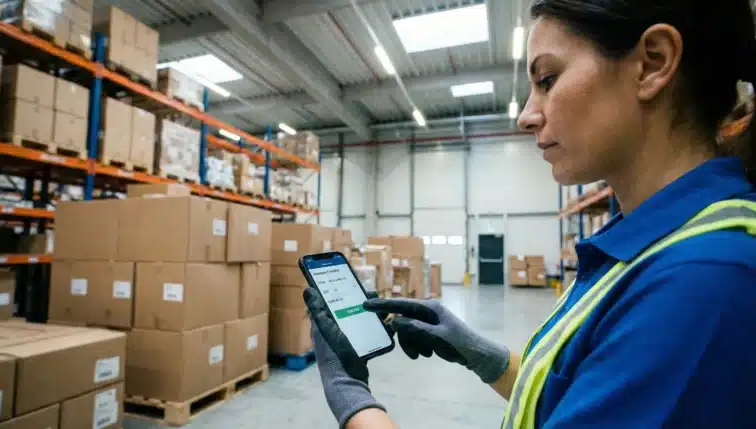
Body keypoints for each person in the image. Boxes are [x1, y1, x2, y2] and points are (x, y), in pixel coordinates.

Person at [304, 0, 756, 427]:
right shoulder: (649, 246)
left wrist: (351, 396)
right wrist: (481, 354)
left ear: (653, 63)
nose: (525, 116)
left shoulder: (699, 282)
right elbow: (574, 393)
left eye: (547, 79)